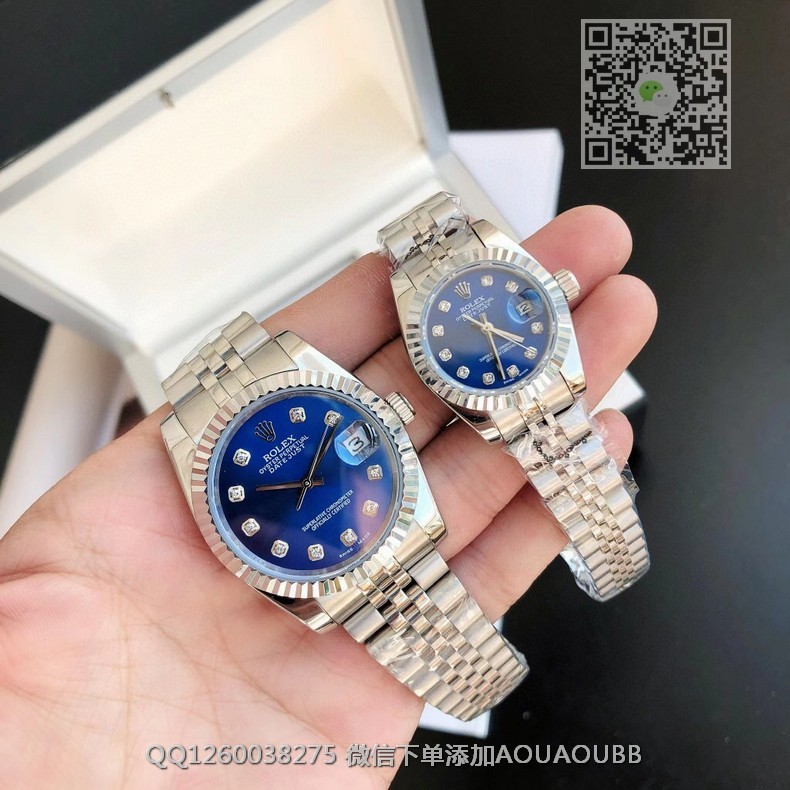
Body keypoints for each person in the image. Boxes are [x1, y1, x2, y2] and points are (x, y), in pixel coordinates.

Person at [0, 206, 656, 787]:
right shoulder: (217, 483)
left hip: (365, 527)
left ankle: (488, 682)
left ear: (386, 411)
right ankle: (484, 684)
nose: (308, 482)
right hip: (348, 555)